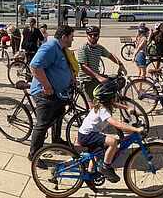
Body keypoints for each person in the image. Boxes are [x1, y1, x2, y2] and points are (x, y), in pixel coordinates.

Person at [74, 84, 145, 183]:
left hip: (87, 133)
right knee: (113, 142)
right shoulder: (103, 110)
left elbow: (115, 104)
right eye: (114, 96)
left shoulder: (102, 104)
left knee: (97, 153)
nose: (115, 98)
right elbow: (117, 124)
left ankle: (90, 175)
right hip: (87, 135)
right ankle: (105, 167)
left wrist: (127, 107)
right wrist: (136, 129)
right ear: (109, 99)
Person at [27, 25, 76, 161]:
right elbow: (35, 67)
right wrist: (46, 85)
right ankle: (34, 155)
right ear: (64, 37)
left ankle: (56, 141)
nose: (73, 39)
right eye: (72, 36)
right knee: (42, 124)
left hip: (58, 93)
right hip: (45, 93)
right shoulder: (50, 47)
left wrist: (71, 79)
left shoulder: (62, 48)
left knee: (59, 115)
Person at [76, 26, 127, 101]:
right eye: (90, 35)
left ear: (99, 36)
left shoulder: (99, 48)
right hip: (86, 79)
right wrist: (99, 77)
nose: (93, 37)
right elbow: (84, 67)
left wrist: (120, 64)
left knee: (112, 85)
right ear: (87, 36)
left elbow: (110, 55)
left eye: (95, 35)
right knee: (93, 106)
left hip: (96, 76)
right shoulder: (83, 49)